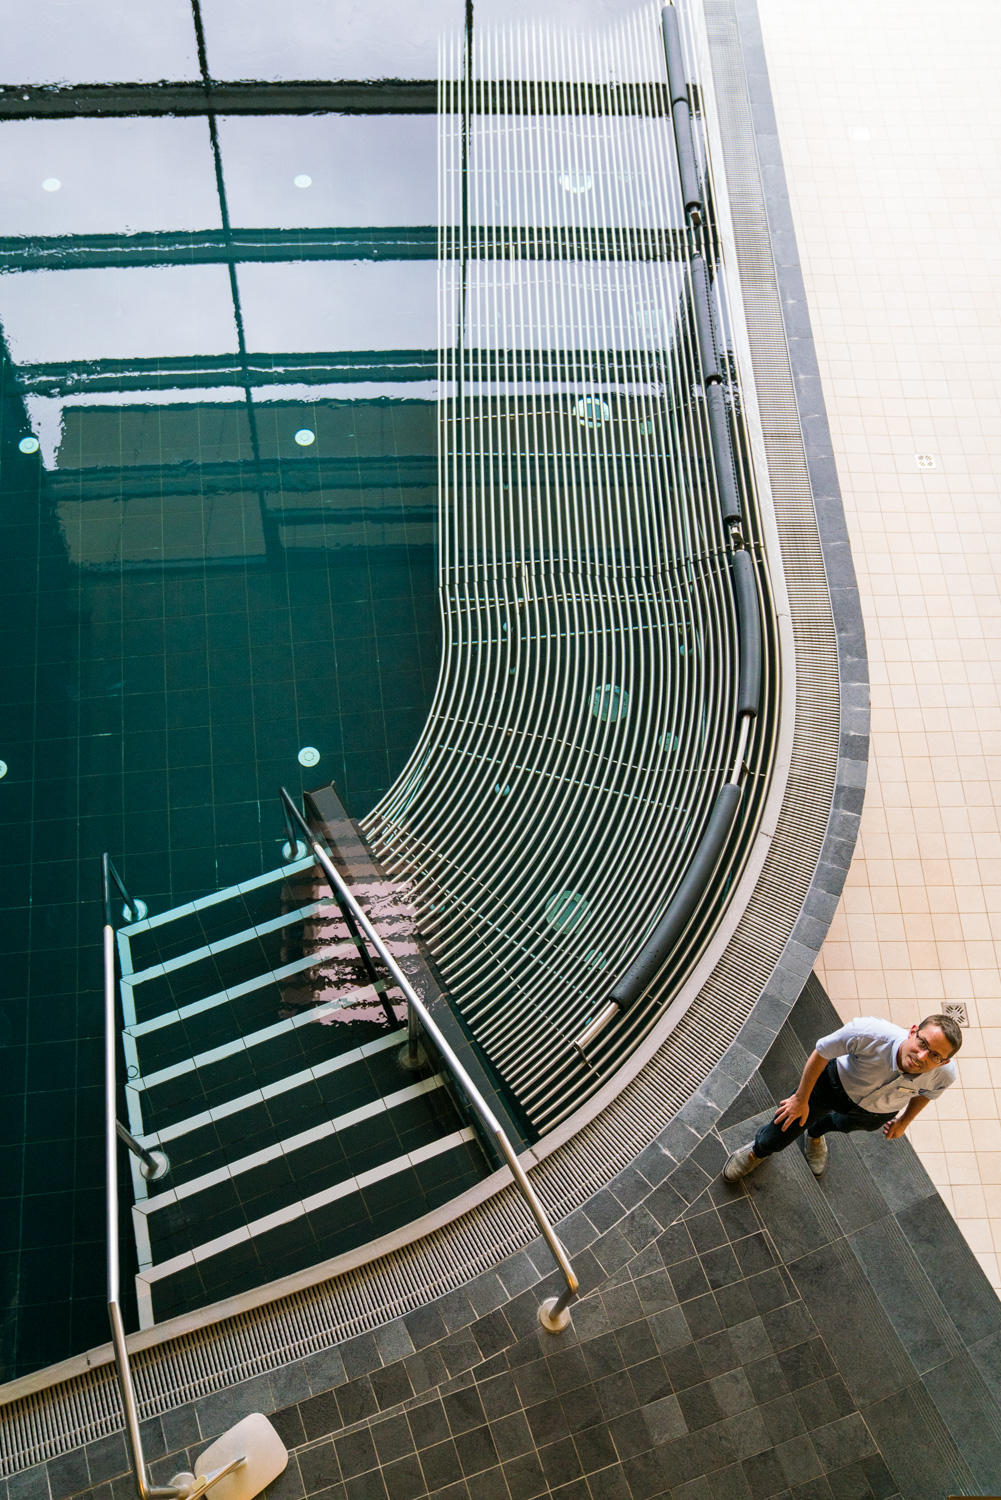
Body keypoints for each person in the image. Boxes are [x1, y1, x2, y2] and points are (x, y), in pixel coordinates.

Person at [722, 1013, 962, 1181]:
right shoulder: (868, 1032)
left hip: (876, 1111)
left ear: (945, 1061)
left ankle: (815, 1134)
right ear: (912, 1031)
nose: (921, 1057)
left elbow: (926, 1094)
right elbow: (821, 1052)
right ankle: (758, 1151)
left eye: (934, 1056)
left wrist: (903, 1122)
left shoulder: (945, 1074)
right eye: (922, 1042)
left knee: (841, 1125)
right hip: (832, 1086)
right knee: (783, 1128)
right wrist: (800, 1099)